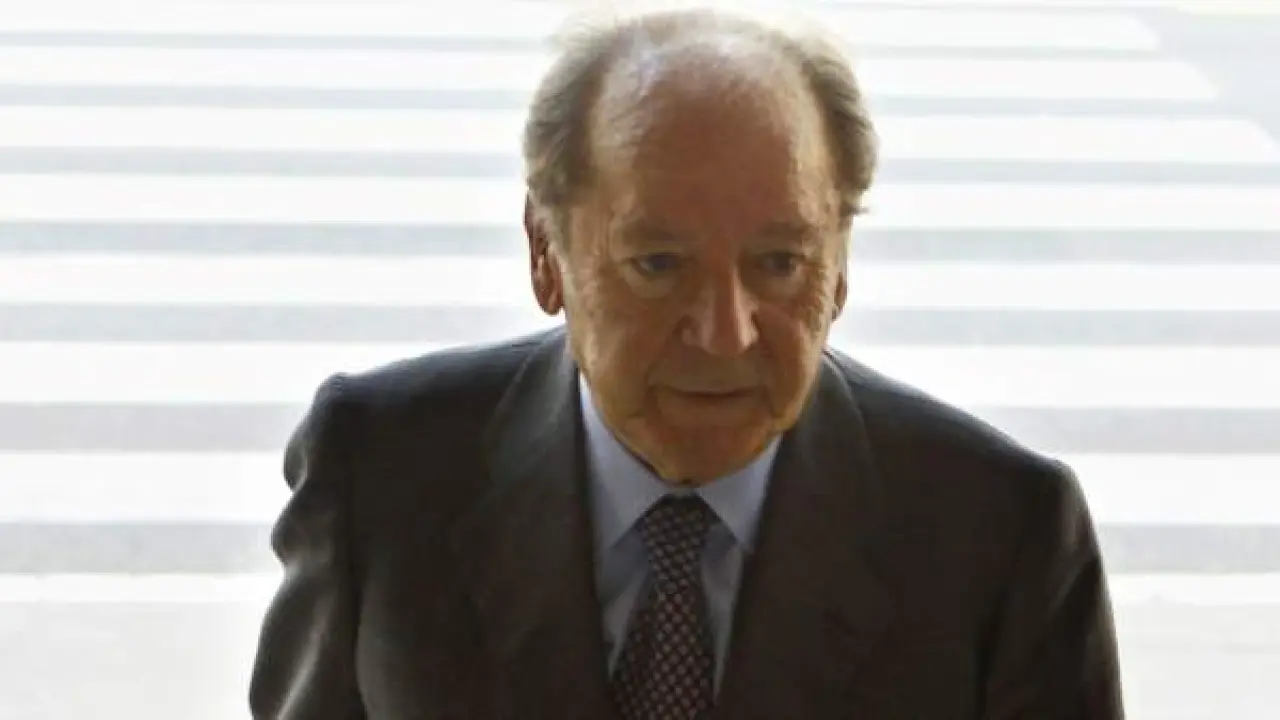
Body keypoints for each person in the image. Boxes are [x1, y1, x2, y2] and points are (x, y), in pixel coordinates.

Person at [248, 6, 1125, 719]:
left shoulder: (999, 535)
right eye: (659, 264)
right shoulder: (381, 475)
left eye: (779, 264)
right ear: (546, 253)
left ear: (840, 267)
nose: (725, 335)